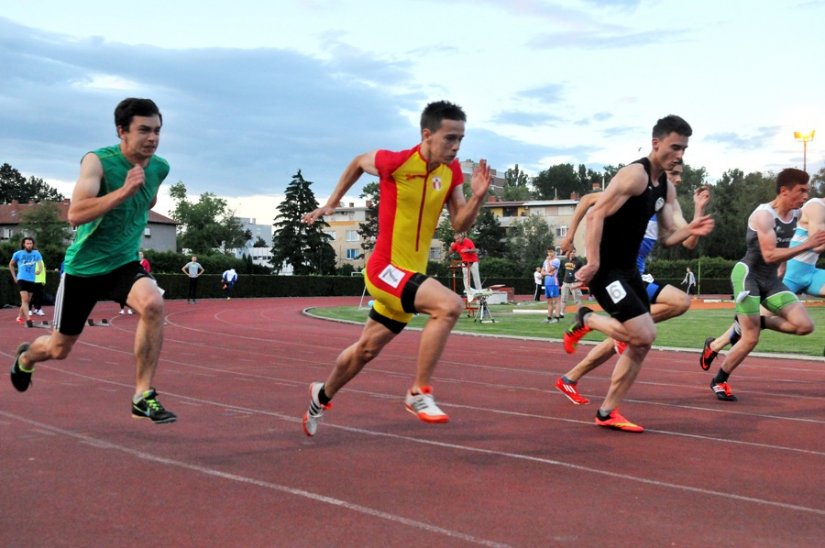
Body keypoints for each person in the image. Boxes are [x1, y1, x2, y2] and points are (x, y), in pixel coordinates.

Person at [300, 100, 492, 437]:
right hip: (384, 269)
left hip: (409, 278)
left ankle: (321, 395)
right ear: (427, 135)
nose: (457, 146)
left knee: (365, 350)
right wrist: (332, 202)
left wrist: (477, 197)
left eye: (461, 138)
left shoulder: (452, 172)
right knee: (450, 306)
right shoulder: (398, 162)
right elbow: (359, 161)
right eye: (450, 138)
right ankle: (419, 391)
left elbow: (460, 222)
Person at [9, 97, 176, 424]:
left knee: (154, 304)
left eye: (157, 130)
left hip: (123, 264)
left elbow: (149, 198)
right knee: (59, 349)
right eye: (144, 130)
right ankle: (27, 357)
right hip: (84, 270)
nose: (153, 138)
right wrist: (123, 193)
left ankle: (142, 395)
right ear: (122, 132)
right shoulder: (97, 162)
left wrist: (137, 200)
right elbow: (75, 214)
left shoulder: (160, 167)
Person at [562, 115, 714, 432]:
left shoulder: (665, 189)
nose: (680, 155)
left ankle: (608, 412)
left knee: (641, 344)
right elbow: (596, 214)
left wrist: (693, 225)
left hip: (630, 270)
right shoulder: (634, 175)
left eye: (684, 149)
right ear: (656, 143)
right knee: (643, 334)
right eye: (675, 147)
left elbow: (670, 237)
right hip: (606, 271)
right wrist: (591, 262)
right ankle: (587, 318)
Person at [699, 168, 825, 401]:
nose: (806, 196)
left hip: (771, 279)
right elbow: (768, 254)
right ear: (784, 191)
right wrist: (808, 245)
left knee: (804, 325)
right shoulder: (764, 215)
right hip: (748, 277)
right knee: (751, 338)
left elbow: (785, 246)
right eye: (802, 191)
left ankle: (757, 322)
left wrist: (786, 262)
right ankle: (720, 380)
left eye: (808, 191)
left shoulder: (795, 216)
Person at [9, 236, 43, 325]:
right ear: (24, 244)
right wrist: (14, 277)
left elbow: (40, 265)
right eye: (27, 243)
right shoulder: (18, 254)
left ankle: (19, 317)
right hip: (22, 278)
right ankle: (28, 319)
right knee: (24, 299)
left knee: (27, 301)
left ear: (33, 244)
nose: (29, 245)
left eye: (31, 243)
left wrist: (39, 270)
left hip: (32, 279)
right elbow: (11, 265)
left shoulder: (36, 253)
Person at [559, 247, 584, 311]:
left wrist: (578, 279)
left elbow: (583, 271)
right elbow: (562, 271)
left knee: (577, 300)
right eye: (571, 252)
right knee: (563, 299)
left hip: (574, 283)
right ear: (568, 252)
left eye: (574, 252)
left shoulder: (578, 261)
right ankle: (562, 313)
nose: (572, 253)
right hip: (565, 282)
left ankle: (580, 314)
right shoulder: (565, 260)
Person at [541, 247, 561, 323]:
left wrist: (549, 261)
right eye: (548, 252)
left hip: (554, 283)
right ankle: (549, 317)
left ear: (554, 252)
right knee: (549, 302)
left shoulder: (556, 261)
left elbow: (549, 269)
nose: (550, 253)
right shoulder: (545, 261)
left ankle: (557, 318)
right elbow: (542, 273)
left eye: (551, 252)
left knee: (556, 301)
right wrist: (548, 274)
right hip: (547, 283)